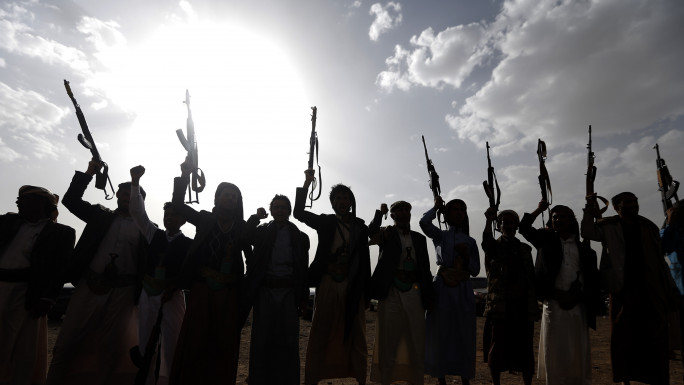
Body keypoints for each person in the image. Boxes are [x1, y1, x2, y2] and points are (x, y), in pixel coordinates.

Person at [47, 159, 147, 385]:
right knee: (68, 342)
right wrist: (90, 172)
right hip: (89, 286)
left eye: (131, 195)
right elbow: (71, 200)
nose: (125, 198)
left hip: (123, 293)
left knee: (112, 347)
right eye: (122, 194)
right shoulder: (100, 215)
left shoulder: (147, 231)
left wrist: (135, 182)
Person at [167, 159, 252, 385]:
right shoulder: (205, 219)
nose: (230, 198)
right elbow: (177, 205)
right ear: (217, 198)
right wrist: (185, 176)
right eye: (226, 194)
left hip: (228, 293)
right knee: (195, 341)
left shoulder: (242, 227)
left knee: (223, 345)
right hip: (202, 290)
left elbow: (254, 253)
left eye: (234, 196)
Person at [582, 192, 676, 384]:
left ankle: (655, 377)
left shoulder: (648, 226)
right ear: (617, 207)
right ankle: (625, 378)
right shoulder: (609, 226)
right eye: (628, 202)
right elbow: (588, 232)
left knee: (654, 335)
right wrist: (588, 211)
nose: (633, 205)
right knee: (623, 336)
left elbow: (659, 256)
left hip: (650, 287)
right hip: (622, 288)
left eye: (635, 201)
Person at [294, 169, 371, 385]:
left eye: (346, 197)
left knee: (357, 333)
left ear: (351, 201)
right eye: (338, 198)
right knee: (321, 329)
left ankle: (360, 378)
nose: (342, 201)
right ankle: (312, 378)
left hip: (352, 283)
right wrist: (307, 183)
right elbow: (298, 212)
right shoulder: (326, 222)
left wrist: (366, 292)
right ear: (332, 202)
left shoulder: (359, 227)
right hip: (328, 280)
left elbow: (365, 261)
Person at [0, 186, 75, 385]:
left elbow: (60, 270)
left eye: (23, 199)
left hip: (27, 295)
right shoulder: (7, 222)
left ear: (40, 204)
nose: (17, 202)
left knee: (23, 351)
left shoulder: (61, 233)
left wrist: (47, 298)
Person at [519, 201, 598, 385]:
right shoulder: (544, 240)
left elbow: (590, 276)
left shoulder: (582, 248)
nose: (558, 219)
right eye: (555, 217)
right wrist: (539, 208)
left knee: (577, 348)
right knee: (555, 348)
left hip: (577, 305)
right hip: (553, 303)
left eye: (563, 216)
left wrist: (576, 296)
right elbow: (524, 227)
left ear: (571, 220)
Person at [128, 165, 192, 385]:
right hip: (148, 293)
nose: (169, 218)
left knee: (172, 343)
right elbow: (137, 212)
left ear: (183, 220)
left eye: (174, 215)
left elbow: (188, 274)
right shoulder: (153, 233)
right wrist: (135, 182)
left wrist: (173, 287)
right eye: (166, 214)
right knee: (145, 341)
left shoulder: (189, 245)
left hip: (172, 297)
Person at [241, 194, 310, 385]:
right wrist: (255, 218)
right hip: (264, 291)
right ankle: (259, 379)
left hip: (288, 292)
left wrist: (303, 297)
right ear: (271, 211)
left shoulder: (300, 237)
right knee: (261, 339)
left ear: (289, 211)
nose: (280, 210)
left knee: (288, 340)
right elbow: (243, 237)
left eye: (283, 207)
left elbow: (302, 268)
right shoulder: (261, 231)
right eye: (276, 207)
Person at [367, 201, 434, 385]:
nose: (404, 213)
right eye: (399, 210)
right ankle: (386, 380)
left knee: (416, 341)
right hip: (391, 293)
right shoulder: (386, 234)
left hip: (415, 292)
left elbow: (426, 270)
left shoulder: (419, 239)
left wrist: (430, 299)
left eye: (407, 210)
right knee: (388, 342)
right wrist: (380, 214)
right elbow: (370, 232)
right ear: (393, 215)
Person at [419, 197, 480, 385]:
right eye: (455, 209)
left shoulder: (470, 241)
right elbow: (423, 223)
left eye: (462, 209)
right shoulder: (440, 236)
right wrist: (435, 207)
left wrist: (464, 255)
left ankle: (465, 377)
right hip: (442, 287)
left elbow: (475, 269)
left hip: (463, 289)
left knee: (463, 332)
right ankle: (441, 378)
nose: (459, 212)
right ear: (447, 214)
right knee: (440, 331)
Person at [481, 208, 539, 385]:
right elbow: (486, 242)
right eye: (504, 222)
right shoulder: (493, 247)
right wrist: (489, 221)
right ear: (499, 226)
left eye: (512, 222)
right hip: (500, 306)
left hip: (522, 306)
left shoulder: (525, 249)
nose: (508, 225)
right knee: (497, 347)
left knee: (525, 348)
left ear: (516, 225)